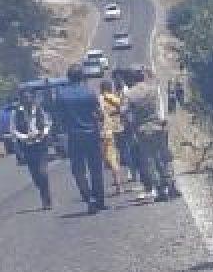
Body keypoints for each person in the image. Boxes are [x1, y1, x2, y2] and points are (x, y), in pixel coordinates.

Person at [122, 67, 179, 202]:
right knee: (164, 158)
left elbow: (124, 112)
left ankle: (160, 190)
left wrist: (131, 122)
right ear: (142, 77)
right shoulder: (153, 89)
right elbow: (163, 106)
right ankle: (171, 185)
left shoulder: (130, 94)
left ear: (131, 79)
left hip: (143, 129)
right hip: (159, 126)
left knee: (149, 160)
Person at [57, 64, 108, 214]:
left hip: (73, 136)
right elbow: (99, 114)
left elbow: (59, 119)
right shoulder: (90, 93)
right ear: (82, 77)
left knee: (78, 170)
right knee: (96, 169)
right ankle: (99, 200)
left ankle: (88, 198)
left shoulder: (62, 95)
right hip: (92, 134)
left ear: (68, 78)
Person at [9, 90, 53, 210]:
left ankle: (47, 200)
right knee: (35, 176)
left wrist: (42, 133)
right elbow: (13, 130)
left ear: (32, 98)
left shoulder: (39, 109)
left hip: (41, 145)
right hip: (27, 147)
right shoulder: (16, 113)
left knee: (42, 173)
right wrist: (25, 137)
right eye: (24, 98)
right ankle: (43, 191)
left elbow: (48, 123)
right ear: (21, 100)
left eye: (29, 98)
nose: (27, 100)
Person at [98, 79, 126, 196]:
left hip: (105, 131)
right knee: (116, 156)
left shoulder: (100, 99)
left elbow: (98, 114)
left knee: (110, 158)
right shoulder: (114, 99)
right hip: (118, 129)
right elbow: (122, 109)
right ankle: (119, 181)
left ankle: (118, 184)